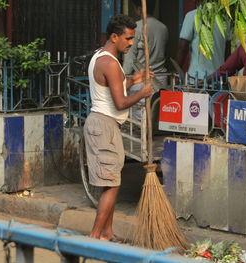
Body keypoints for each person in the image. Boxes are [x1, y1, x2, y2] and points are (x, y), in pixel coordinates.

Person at [84, 14, 153, 242]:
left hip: (104, 124)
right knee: (111, 184)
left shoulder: (101, 57)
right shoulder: (110, 63)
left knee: (110, 183)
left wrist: (133, 81)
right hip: (104, 125)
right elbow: (121, 102)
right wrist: (141, 93)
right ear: (114, 37)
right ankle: (95, 237)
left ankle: (107, 233)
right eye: (128, 38)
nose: (131, 43)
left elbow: (112, 88)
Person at [123, 0, 168, 120]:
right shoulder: (163, 28)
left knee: (139, 120)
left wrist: (125, 78)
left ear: (139, 9)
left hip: (142, 79)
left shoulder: (137, 28)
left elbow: (130, 58)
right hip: (161, 77)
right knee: (156, 116)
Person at [176, 1, 231, 81]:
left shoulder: (192, 16)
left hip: (197, 79)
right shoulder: (225, 18)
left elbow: (182, 48)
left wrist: (176, 72)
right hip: (218, 79)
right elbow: (228, 52)